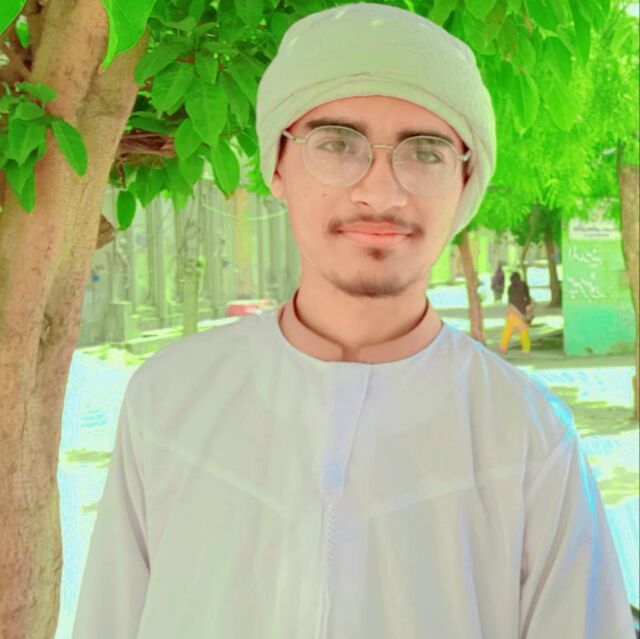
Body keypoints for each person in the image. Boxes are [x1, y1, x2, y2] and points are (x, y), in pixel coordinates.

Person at [71, 4, 636, 639]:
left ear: (465, 180)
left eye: (425, 152)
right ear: (276, 165)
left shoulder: (528, 438)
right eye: (337, 144)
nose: (381, 192)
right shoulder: (169, 400)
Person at [499, 271, 533, 356]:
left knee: (508, 330)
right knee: (523, 330)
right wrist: (527, 311)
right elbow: (527, 297)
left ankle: (503, 348)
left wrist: (509, 309)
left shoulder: (511, 288)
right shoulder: (523, 285)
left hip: (512, 312)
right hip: (521, 311)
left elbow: (511, 302)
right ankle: (526, 349)